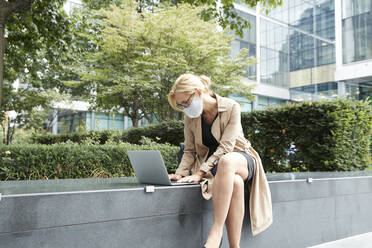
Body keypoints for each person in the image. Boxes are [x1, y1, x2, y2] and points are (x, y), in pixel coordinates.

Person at [167, 74, 273, 248]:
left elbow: (226, 147)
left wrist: (200, 173)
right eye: (180, 105)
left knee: (227, 161)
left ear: (198, 92)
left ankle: (216, 232)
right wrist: (180, 174)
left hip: (241, 158)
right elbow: (189, 150)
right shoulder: (190, 117)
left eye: (185, 102)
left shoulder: (231, 107)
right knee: (236, 183)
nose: (184, 107)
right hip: (215, 167)